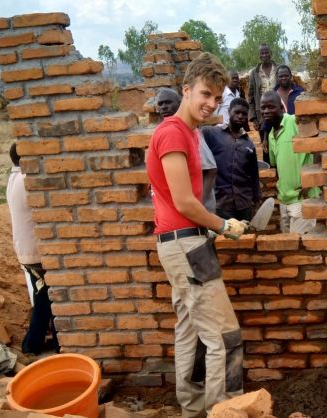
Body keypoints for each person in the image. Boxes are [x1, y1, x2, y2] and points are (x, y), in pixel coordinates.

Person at [146, 52, 248, 418]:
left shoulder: (186, 133)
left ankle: (192, 409)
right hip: (186, 245)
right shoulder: (173, 133)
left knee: (189, 331)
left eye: (217, 98)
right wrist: (223, 225)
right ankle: (223, 412)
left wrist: (213, 225)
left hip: (181, 244)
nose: (211, 103)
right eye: (205, 94)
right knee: (224, 337)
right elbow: (185, 201)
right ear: (186, 90)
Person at [6, 143, 58, 355]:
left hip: (27, 250)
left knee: (43, 295)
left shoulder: (14, 178)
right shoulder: (27, 181)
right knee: (46, 297)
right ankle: (32, 344)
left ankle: (48, 340)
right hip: (35, 252)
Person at [260, 90, 319, 234]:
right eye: (263, 108)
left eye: (270, 107)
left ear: (281, 108)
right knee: (289, 247)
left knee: (299, 249)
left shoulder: (293, 121)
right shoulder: (270, 135)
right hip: (284, 200)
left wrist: (312, 181)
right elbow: (277, 166)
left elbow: (318, 143)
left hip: (302, 197)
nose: (266, 111)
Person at [156, 87, 218, 212]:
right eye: (160, 104)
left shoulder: (189, 131)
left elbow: (211, 170)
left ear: (180, 104)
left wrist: (198, 204)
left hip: (200, 212)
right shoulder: (169, 130)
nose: (163, 107)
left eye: (168, 102)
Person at [202, 98, 261, 221]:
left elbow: (254, 175)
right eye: (237, 112)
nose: (240, 116)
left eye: (244, 114)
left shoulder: (249, 143)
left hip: (244, 204)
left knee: (245, 238)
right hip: (220, 204)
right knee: (223, 240)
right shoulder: (212, 134)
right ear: (229, 112)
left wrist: (256, 200)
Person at [247, 44, 280, 165]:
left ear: (271, 53)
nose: (265, 55)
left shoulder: (278, 69)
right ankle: (269, 175)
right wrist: (253, 117)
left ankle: (280, 171)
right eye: (262, 53)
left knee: (280, 142)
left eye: (267, 52)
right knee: (266, 145)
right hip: (262, 115)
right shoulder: (254, 73)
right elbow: (250, 96)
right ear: (259, 55)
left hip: (278, 113)